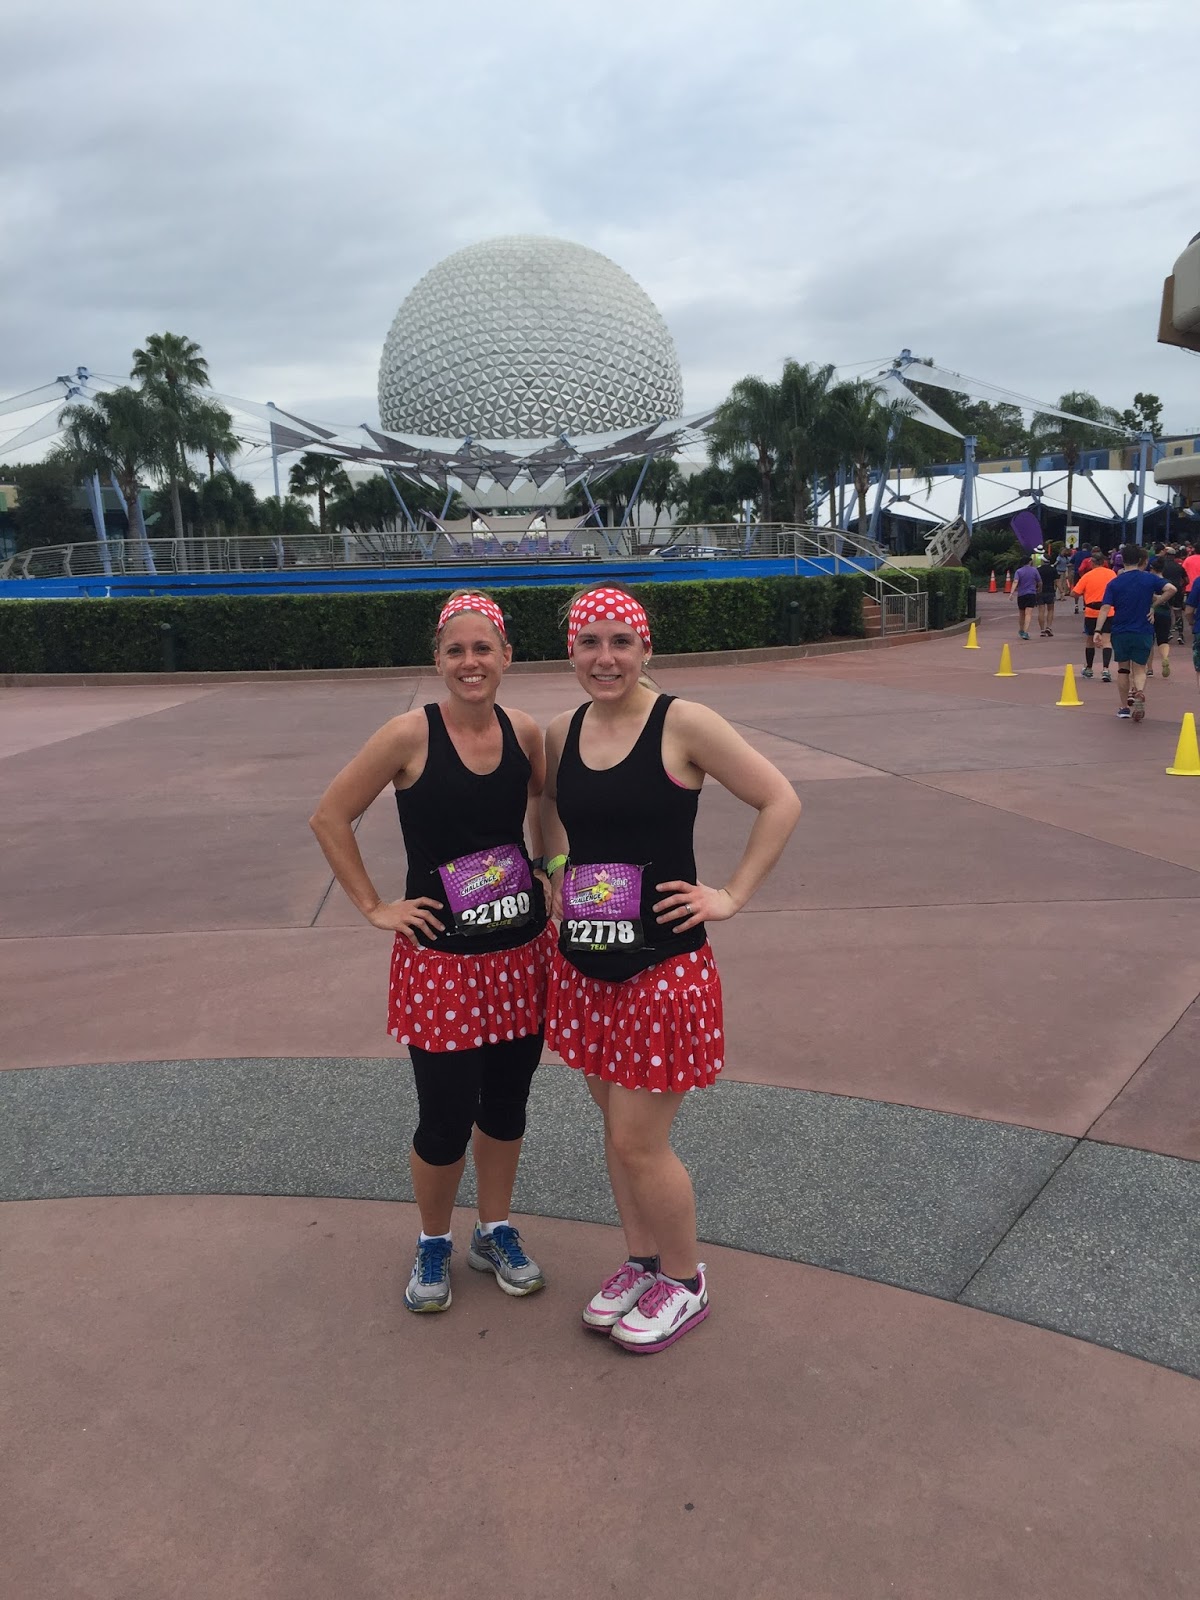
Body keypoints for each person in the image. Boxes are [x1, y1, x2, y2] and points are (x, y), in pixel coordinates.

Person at [540, 586, 801, 1353]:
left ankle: (685, 1281)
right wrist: (555, 861)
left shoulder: (682, 723)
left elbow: (779, 799)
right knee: (615, 1135)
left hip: (663, 967)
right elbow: (549, 803)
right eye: (590, 644)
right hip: (586, 962)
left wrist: (731, 894)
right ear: (572, 655)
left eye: (621, 642)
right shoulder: (563, 729)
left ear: (647, 650)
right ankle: (642, 1260)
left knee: (639, 1141)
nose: (606, 658)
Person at [309, 591, 557, 1314]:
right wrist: (375, 906)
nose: (470, 662)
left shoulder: (526, 731)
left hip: (518, 952)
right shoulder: (407, 736)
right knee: (444, 1116)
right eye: (456, 650)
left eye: (484, 648)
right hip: (441, 961)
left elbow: (541, 803)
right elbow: (330, 815)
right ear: (438, 661)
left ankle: (496, 1228)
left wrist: (549, 868)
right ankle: (432, 1239)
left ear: (507, 656)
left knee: (508, 1103)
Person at [1094, 545, 1175, 721]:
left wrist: (1098, 630)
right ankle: (1138, 692)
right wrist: (1155, 605)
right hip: (1143, 629)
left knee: (1123, 669)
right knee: (1139, 669)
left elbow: (1105, 608)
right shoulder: (1149, 579)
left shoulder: (1115, 582)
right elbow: (1172, 589)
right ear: (1140, 560)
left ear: (1123, 560)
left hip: (1120, 630)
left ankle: (1124, 707)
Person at [1072, 550, 1114, 681]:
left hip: (1091, 611)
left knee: (1090, 639)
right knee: (1107, 640)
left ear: (1092, 563)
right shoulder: (1112, 574)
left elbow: (1074, 593)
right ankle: (1106, 669)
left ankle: (1089, 668)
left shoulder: (1087, 576)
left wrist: (1085, 593)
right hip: (1108, 610)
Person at [1147, 555, 1174, 677]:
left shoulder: (1149, 581)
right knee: (1163, 640)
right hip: (1165, 613)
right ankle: (1165, 657)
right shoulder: (1167, 583)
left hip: (1150, 612)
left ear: (1152, 568)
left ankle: (1150, 668)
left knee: (1149, 641)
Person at [1012, 554, 1042, 639]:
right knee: (1028, 613)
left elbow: (1015, 582)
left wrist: (1011, 593)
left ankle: (1021, 629)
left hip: (1021, 594)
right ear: (1030, 562)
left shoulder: (1018, 571)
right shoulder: (1034, 570)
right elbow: (1039, 581)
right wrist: (1039, 589)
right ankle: (1025, 631)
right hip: (1031, 593)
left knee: (1021, 613)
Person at [1162, 547, 1188, 643]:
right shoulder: (1179, 567)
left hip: (1166, 590)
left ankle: (1168, 632)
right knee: (1178, 612)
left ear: (1166, 555)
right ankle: (1180, 634)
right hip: (1177, 590)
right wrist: (1181, 587)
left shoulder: (1162, 566)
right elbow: (1186, 580)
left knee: (1167, 611)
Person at [1037, 549, 1058, 636]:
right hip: (1050, 591)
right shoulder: (1053, 569)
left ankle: (1042, 630)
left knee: (1041, 611)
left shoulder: (1038, 569)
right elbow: (1057, 581)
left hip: (1041, 591)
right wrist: (1060, 590)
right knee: (1050, 610)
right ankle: (1048, 627)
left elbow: (1036, 581)